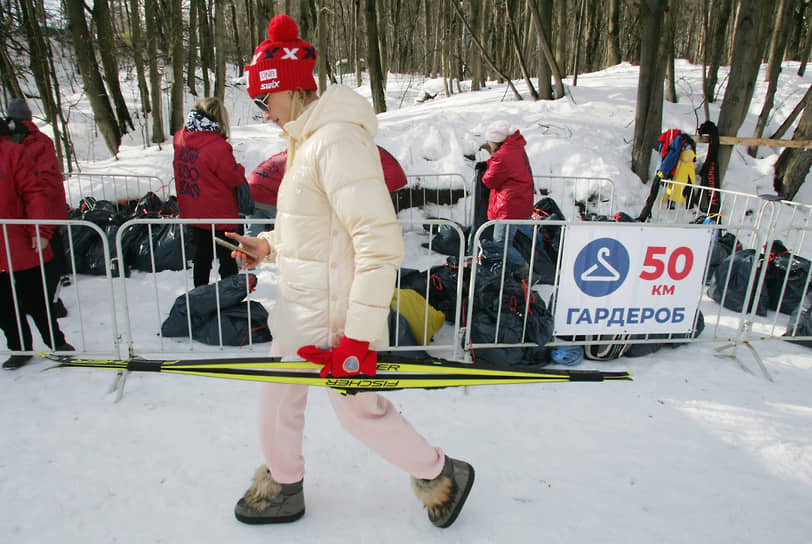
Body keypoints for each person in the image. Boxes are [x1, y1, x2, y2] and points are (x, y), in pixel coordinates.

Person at [224, 14, 474, 528]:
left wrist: (357, 339)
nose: (262, 113)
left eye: (262, 100)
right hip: (301, 306)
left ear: (288, 89)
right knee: (277, 401)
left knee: (357, 411)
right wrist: (266, 246)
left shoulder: (335, 140)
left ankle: (441, 473)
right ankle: (283, 484)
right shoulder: (307, 139)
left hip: (335, 319)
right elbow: (315, 229)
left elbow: (379, 245)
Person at [0, 118, 73, 370]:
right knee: (3, 304)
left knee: (35, 298)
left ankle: (56, 342)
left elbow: (34, 192)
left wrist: (39, 229)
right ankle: (19, 347)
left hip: (19, 240)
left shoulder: (12, 153)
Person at [6, 98, 70, 318]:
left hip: (43, 213)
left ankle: (51, 304)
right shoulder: (21, 142)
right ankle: (38, 303)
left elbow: (45, 183)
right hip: (31, 215)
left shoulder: (37, 142)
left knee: (49, 263)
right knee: (37, 265)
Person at [173, 97, 245, 287]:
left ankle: (200, 298)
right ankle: (230, 298)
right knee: (227, 259)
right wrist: (240, 169)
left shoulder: (180, 138)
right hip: (220, 215)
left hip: (194, 212)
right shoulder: (217, 146)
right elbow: (234, 177)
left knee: (202, 258)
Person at [479, 119, 535, 277]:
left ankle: (524, 269)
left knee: (501, 242)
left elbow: (489, 180)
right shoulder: (516, 148)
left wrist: (490, 161)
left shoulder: (502, 156)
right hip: (521, 201)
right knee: (521, 235)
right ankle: (536, 262)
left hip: (508, 206)